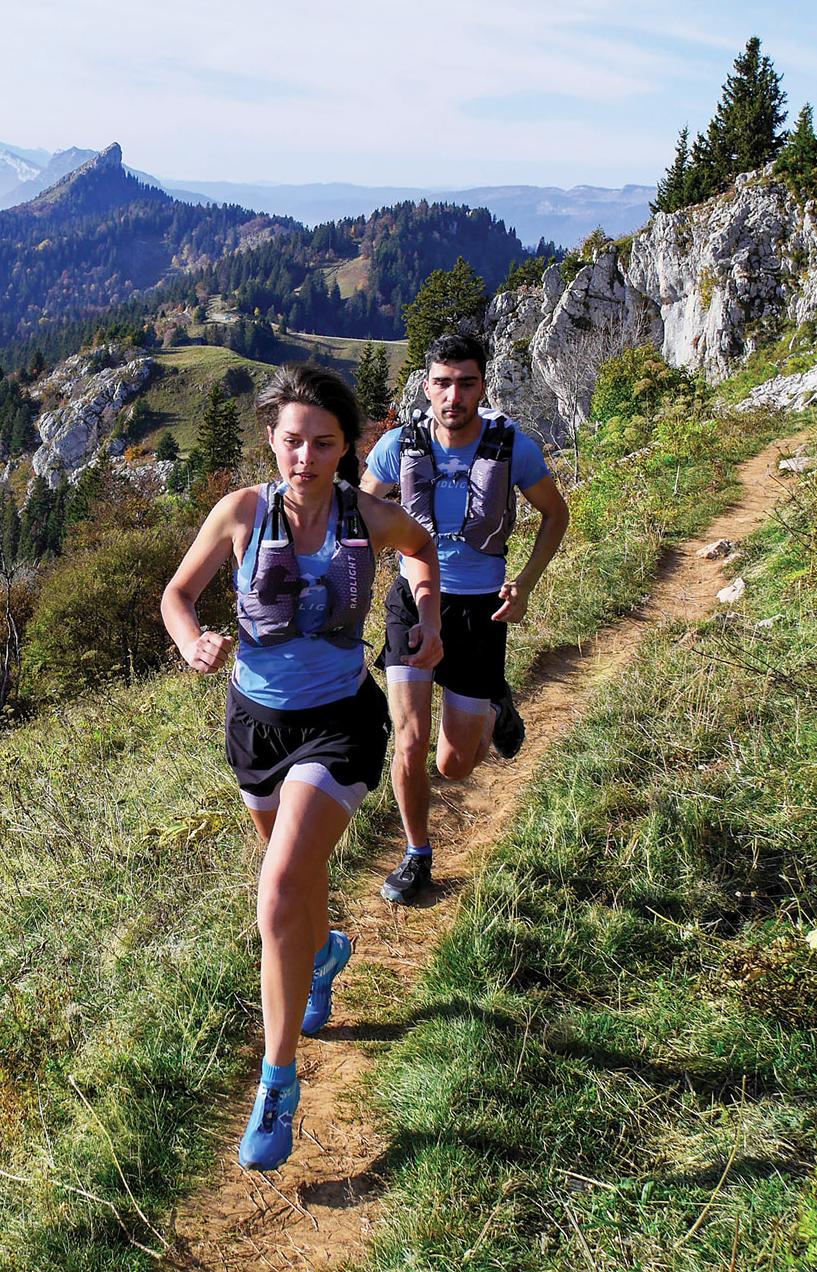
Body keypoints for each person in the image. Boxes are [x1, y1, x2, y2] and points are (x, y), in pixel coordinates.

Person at [162, 364, 441, 1173]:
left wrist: (426, 613)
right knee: (295, 893)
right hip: (254, 727)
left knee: (280, 886)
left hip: (339, 723)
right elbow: (177, 594)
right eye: (292, 440)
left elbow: (420, 549)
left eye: (324, 442)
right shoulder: (241, 512)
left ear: (347, 446)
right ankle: (322, 954)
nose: (306, 457)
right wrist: (194, 641)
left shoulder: (369, 515)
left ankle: (276, 1086)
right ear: (271, 440)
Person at [361, 331, 569, 903]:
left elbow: (556, 514)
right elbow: (356, 521)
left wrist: (523, 585)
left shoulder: (513, 447)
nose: (453, 395)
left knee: (454, 765)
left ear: (482, 385)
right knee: (410, 740)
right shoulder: (396, 446)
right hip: (412, 599)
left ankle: (495, 702)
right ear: (426, 386)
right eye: (443, 383)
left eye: (466, 383)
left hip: (481, 608)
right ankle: (416, 856)